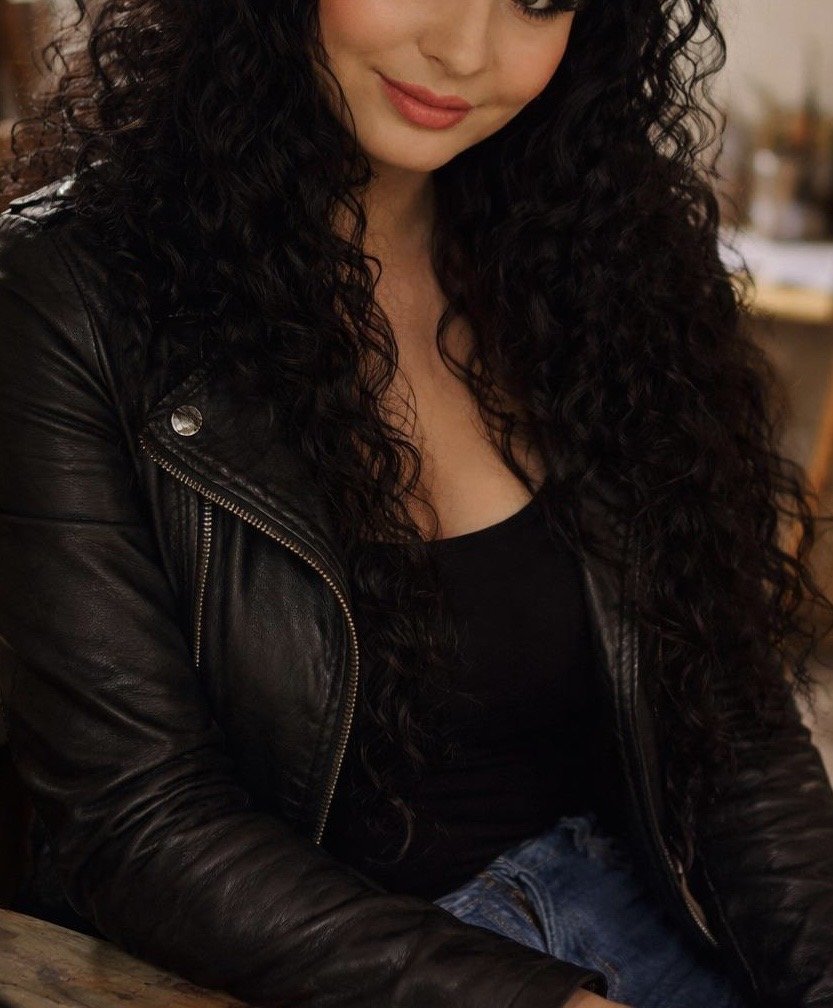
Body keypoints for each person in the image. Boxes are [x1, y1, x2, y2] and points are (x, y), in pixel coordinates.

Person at [1, 0, 832, 1005]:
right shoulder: (63, 297)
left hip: (642, 918)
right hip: (316, 976)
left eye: (537, 1)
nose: (462, 51)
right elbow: (141, 825)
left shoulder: (600, 251)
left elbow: (731, 727)